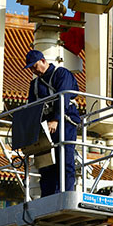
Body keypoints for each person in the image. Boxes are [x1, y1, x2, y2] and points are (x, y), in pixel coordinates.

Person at [24, 49, 81, 197]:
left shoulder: (61, 74)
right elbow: (32, 107)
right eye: (31, 68)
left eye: (35, 66)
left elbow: (63, 96)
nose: (33, 70)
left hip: (65, 121)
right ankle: (48, 196)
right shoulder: (35, 84)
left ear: (43, 61)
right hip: (45, 127)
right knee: (46, 163)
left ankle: (66, 194)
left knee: (65, 159)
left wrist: (55, 119)